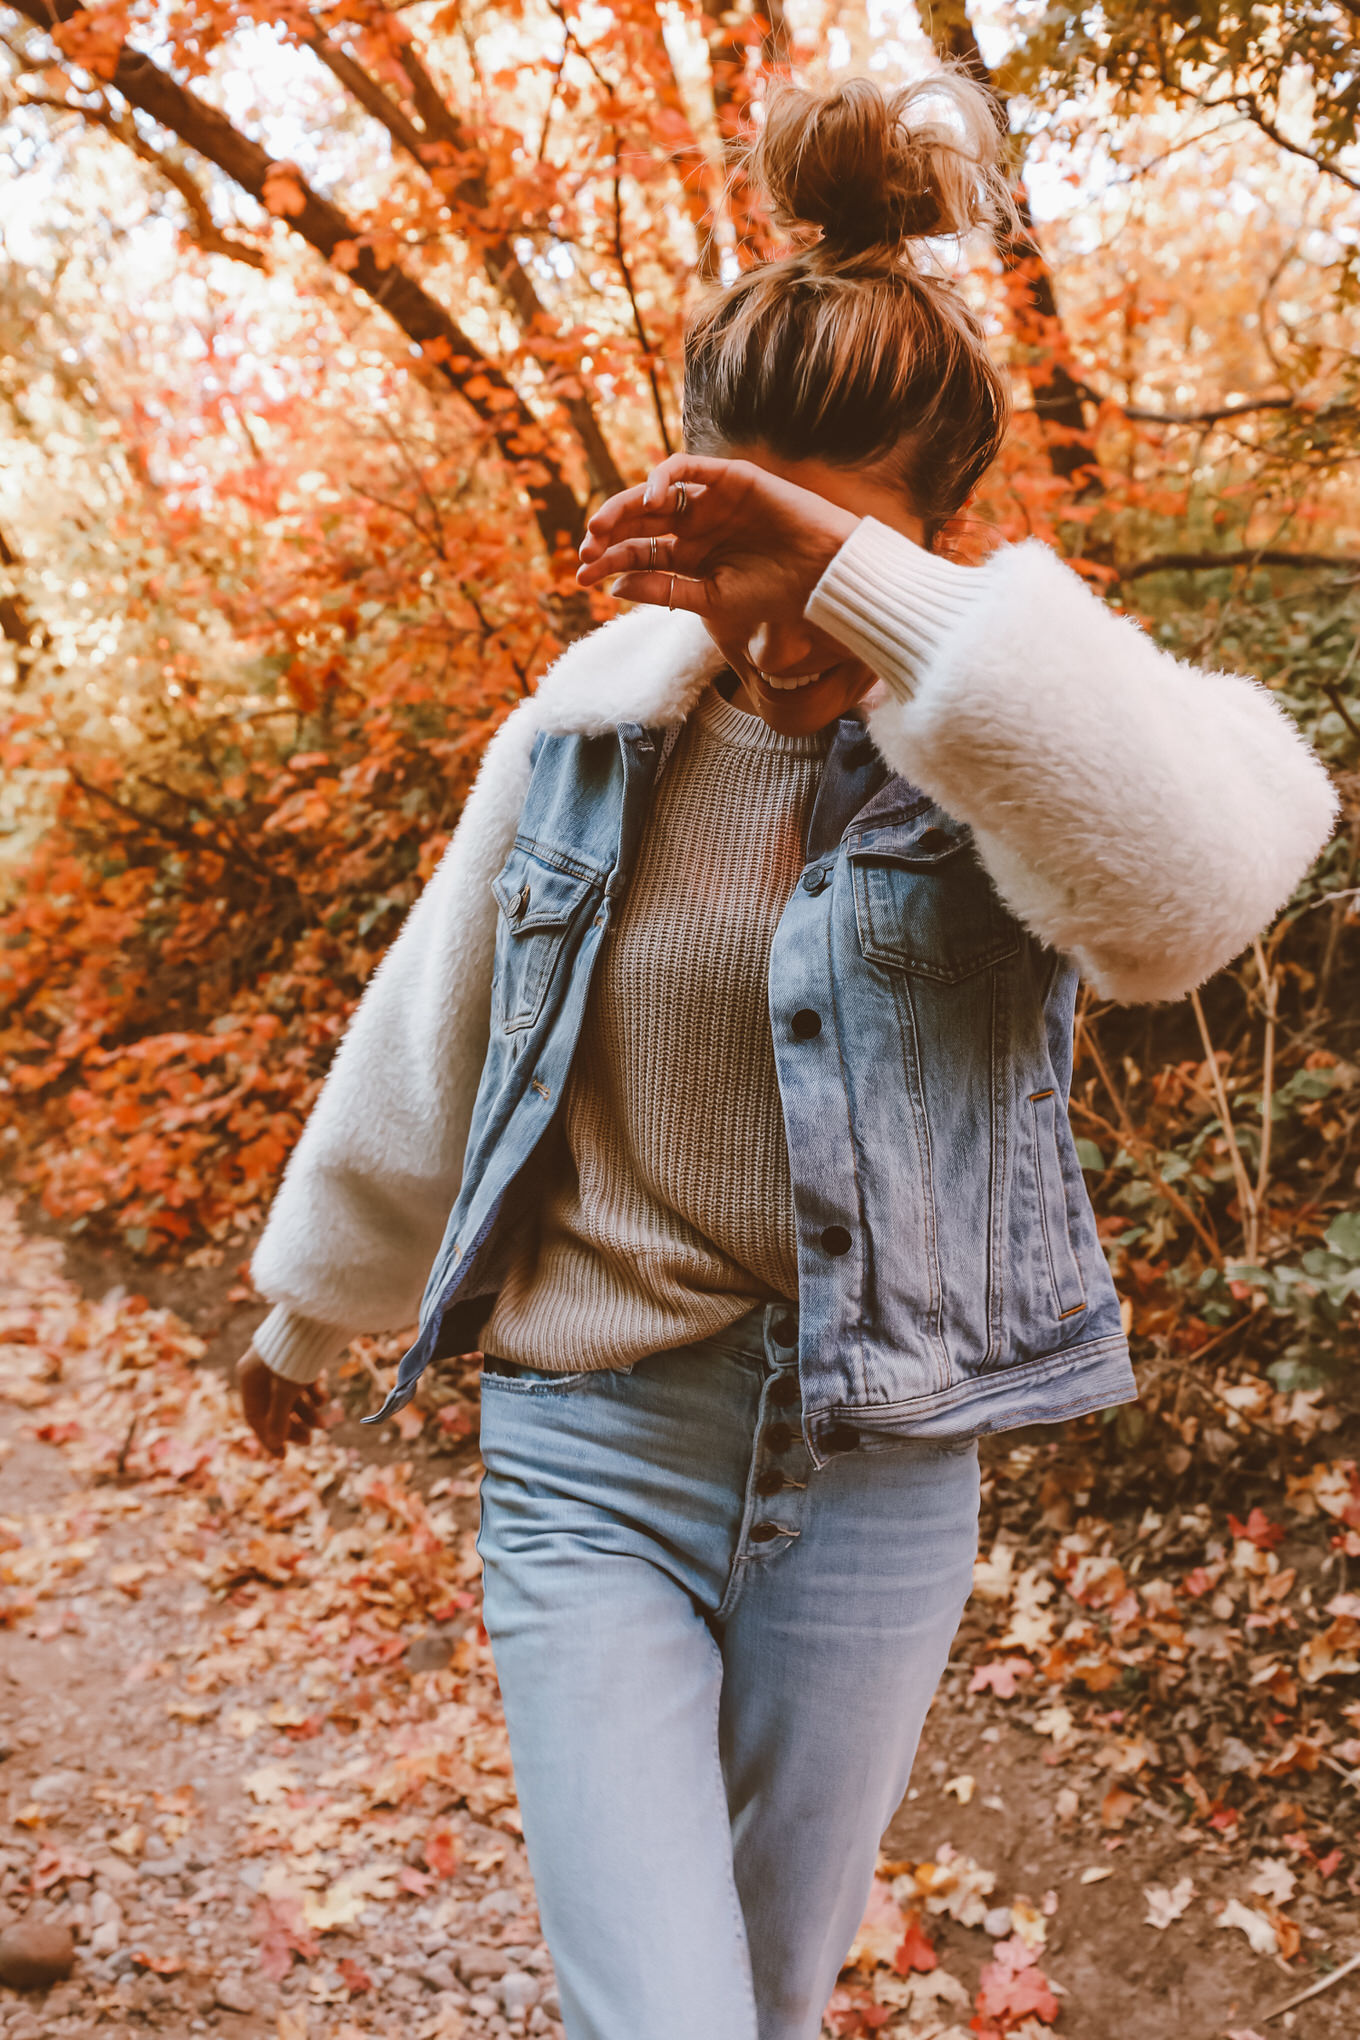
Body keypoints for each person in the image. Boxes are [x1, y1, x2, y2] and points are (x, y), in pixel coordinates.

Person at [235, 70, 1336, 2040]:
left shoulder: (1015, 739)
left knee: (759, 1997)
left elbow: (1190, 899)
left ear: (933, 537)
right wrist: (312, 1309)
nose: (772, 630)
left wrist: (859, 591)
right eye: (734, 549)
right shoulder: (596, 729)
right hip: (593, 1448)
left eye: (819, 556)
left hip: (874, 1475)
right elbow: (438, 1021)